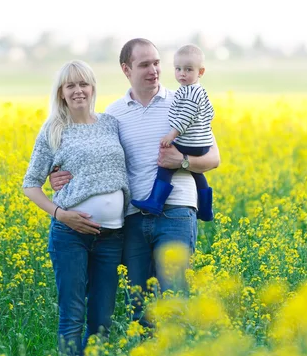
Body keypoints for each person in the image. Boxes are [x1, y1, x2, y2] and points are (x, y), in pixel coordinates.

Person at [50, 39, 220, 323]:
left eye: (156, 63)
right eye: (145, 65)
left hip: (176, 210)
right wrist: (59, 173)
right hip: (132, 217)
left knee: (174, 299)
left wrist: (181, 162)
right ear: (126, 69)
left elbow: (213, 158)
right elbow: (95, 158)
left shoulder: (183, 100)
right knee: (138, 305)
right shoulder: (113, 114)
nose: (154, 70)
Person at [22, 60, 129, 356]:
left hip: (111, 236)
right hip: (70, 235)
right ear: (61, 93)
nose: (78, 90)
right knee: (71, 317)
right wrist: (61, 215)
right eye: (71, 85)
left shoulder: (111, 123)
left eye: (83, 84)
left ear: (93, 88)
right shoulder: (54, 129)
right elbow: (31, 184)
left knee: (102, 321)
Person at [130, 44, 215, 221]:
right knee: (197, 173)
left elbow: (185, 116)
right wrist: (202, 126)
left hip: (190, 143)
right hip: (200, 142)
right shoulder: (197, 91)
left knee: (165, 165)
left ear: (200, 72)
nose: (182, 74)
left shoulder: (190, 92)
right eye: (178, 69)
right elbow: (210, 112)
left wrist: (172, 135)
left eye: (188, 70)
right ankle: (206, 209)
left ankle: (155, 201)